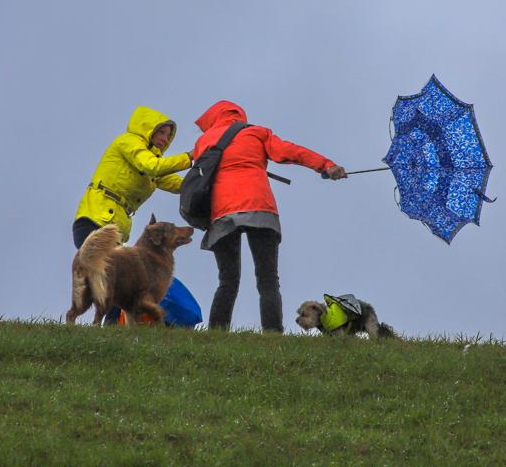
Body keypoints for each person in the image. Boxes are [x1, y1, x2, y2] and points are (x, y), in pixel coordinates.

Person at [191, 100, 347, 333]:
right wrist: (326, 165)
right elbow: (291, 151)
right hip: (259, 208)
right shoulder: (256, 132)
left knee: (227, 280)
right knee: (268, 280)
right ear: (239, 116)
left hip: (222, 212)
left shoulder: (204, 141)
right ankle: (273, 334)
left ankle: (216, 333)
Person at [73, 105, 192, 323]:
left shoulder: (152, 162)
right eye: (161, 132)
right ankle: (81, 319)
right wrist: (190, 157)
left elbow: (179, 184)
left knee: (119, 280)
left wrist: (206, 176)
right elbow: (152, 166)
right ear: (147, 129)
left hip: (114, 224)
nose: (165, 139)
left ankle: (107, 331)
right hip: (95, 217)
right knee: (106, 276)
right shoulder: (129, 143)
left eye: (168, 135)